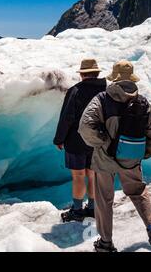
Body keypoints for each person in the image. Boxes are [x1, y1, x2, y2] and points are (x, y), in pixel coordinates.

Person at [79, 60, 151, 252]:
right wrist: (143, 154)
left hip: (104, 159)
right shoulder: (142, 101)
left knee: (104, 200)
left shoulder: (101, 99)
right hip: (131, 159)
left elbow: (84, 127)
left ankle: (105, 243)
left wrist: (101, 142)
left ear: (114, 78)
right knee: (138, 192)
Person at [54, 59, 107, 222]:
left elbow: (67, 117)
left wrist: (59, 139)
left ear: (83, 74)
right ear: (97, 73)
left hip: (76, 140)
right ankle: (92, 208)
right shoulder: (105, 91)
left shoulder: (76, 90)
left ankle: (77, 210)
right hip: (97, 140)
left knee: (78, 175)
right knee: (92, 174)